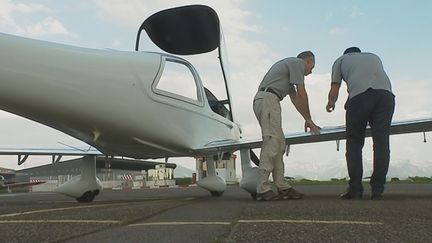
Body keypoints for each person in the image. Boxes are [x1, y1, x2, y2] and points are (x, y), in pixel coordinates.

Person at [326, 47, 395, 200]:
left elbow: (335, 87)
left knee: (354, 143)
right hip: (386, 97)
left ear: (346, 53)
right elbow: (370, 85)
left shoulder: (340, 60)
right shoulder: (374, 56)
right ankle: (378, 190)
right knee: (381, 142)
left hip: (359, 99)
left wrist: (331, 103)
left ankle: (355, 189)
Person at [253, 51, 321, 201]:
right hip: (268, 100)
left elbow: (295, 99)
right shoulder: (297, 63)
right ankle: (262, 188)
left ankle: (282, 186)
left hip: (270, 100)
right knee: (272, 141)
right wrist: (309, 119)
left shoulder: (288, 72)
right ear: (307, 61)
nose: (311, 71)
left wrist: (306, 119)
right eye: (312, 66)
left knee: (280, 143)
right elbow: (302, 93)